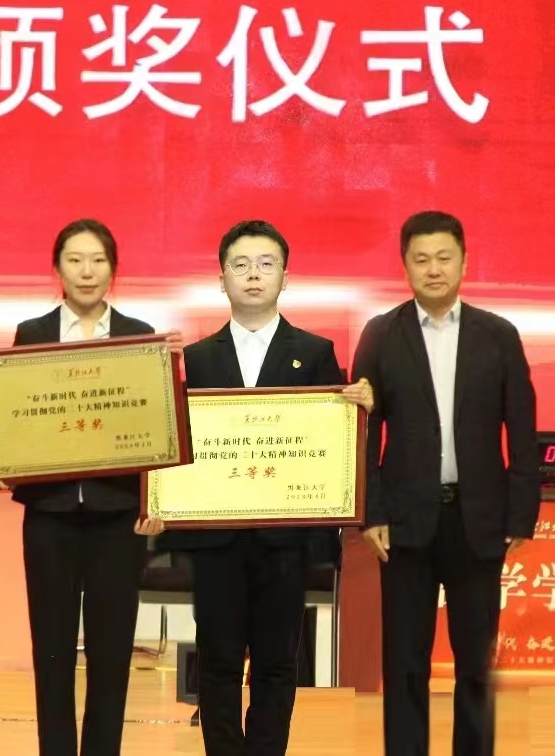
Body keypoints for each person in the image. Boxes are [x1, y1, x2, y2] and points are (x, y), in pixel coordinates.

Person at [161, 220, 374, 756]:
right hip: (216, 539)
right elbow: (179, 445)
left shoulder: (317, 353)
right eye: (240, 265)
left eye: (265, 264)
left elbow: (330, 441)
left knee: (277, 663)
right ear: (222, 279)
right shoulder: (196, 359)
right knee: (218, 660)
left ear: (285, 277)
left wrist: (356, 410)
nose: (253, 275)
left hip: (286, 539)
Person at [0, 218, 170, 756]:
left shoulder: (140, 336)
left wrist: (156, 498)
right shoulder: (32, 334)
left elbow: (157, 426)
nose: (87, 271)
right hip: (50, 516)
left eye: (98, 260)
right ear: (57, 269)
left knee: (112, 653)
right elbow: (13, 417)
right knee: (53, 651)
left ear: (114, 269)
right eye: (75, 260)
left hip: (118, 517)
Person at [352, 211, 539, 756]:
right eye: (421, 259)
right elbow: (363, 430)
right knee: (405, 663)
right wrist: (370, 511)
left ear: (464, 262)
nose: (433, 269)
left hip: (477, 522)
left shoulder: (498, 336)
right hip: (404, 523)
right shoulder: (381, 334)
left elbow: (522, 430)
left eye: (444, 258)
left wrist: (520, 515)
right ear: (405, 266)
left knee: (476, 664)